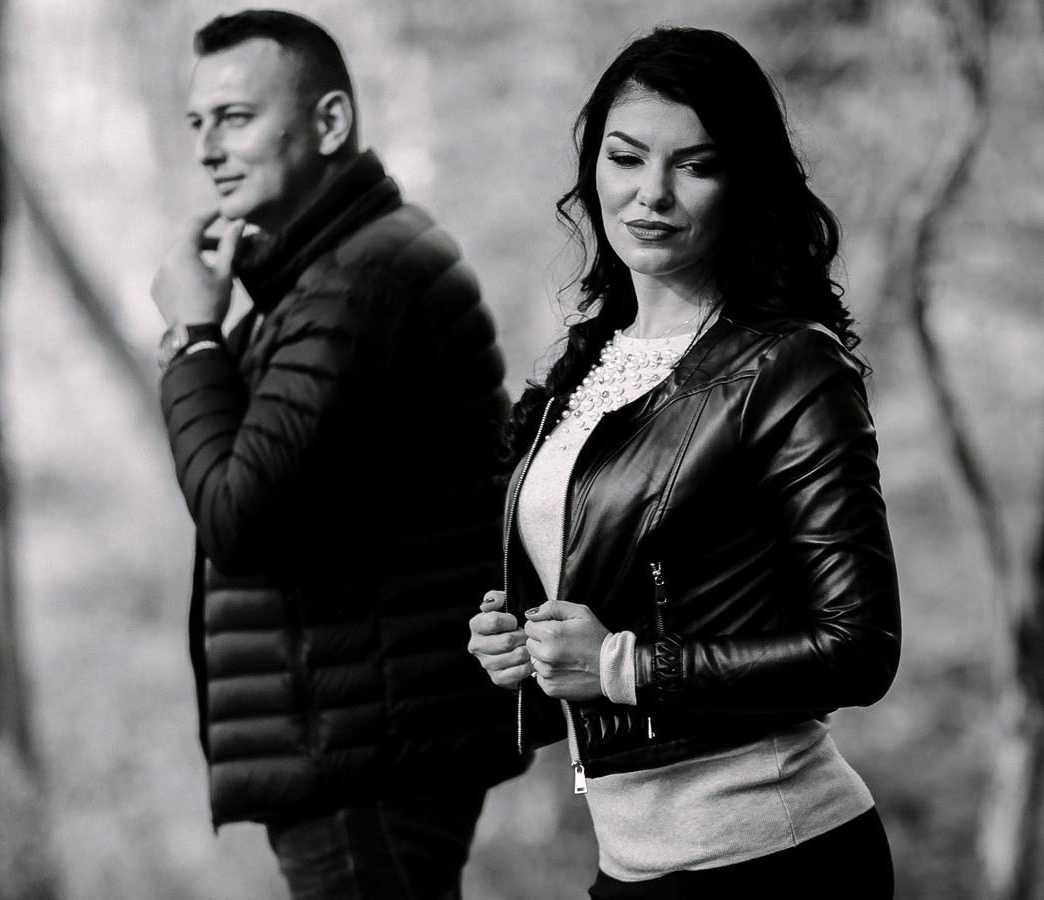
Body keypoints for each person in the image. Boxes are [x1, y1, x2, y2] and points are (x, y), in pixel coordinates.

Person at [467, 25, 902, 899]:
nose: (652, 194)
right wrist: (521, 648)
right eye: (626, 158)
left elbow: (859, 648)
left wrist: (621, 666)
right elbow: (620, 584)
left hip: (776, 855)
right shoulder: (584, 369)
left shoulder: (787, 367)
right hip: (630, 864)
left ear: (744, 182)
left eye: (695, 166)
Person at [149, 9, 526, 900]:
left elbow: (237, 518)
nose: (207, 148)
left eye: (235, 117)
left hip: (370, 760)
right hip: (371, 741)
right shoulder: (339, 273)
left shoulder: (358, 283)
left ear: (329, 122)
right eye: (197, 123)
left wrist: (194, 339)